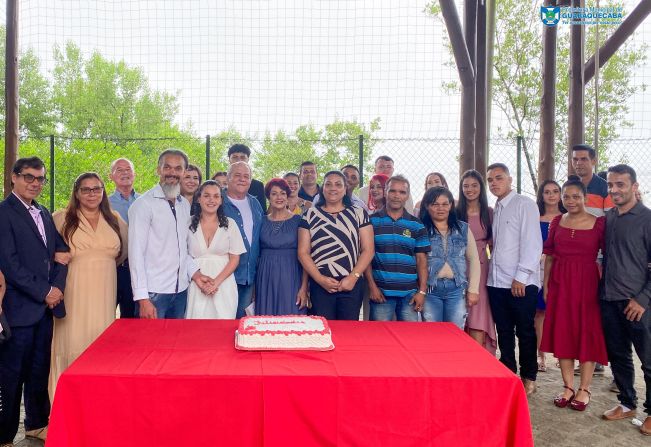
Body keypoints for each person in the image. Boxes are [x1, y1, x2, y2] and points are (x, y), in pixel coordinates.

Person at [0, 157, 69, 445]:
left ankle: (37, 423)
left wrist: (56, 287)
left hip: (44, 310)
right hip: (18, 308)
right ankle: (4, 433)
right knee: (12, 374)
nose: (35, 183)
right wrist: (44, 291)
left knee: (39, 368)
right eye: (29, 177)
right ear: (14, 178)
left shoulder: (42, 211)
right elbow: (9, 263)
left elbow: (61, 252)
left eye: (40, 178)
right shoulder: (4, 213)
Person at [50, 172, 128, 397]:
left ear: (103, 192)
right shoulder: (60, 218)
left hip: (105, 290)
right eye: (86, 189)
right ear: (77, 193)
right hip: (74, 290)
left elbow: (124, 252)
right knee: (72, 340)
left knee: (100, 341)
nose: (92, 194)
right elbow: (44, 252)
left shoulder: (114, 218)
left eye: (97, 189)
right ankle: (64, 402)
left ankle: (97, 400)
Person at [540, 177, 608, 411]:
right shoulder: (557, 222)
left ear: (585, 197)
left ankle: (585, 388)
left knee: (587, 333)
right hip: (560, 284)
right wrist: (547, 285)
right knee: (564, 332)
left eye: (575, 196)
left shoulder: (599, 223)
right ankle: (568, 386)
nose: (570, 201)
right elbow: (549, 255)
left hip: (588, 284)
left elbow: (608, 256)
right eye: (566, 196)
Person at [128, 149, 212, 319]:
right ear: (159, 170)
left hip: (181, 291)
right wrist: (143, 298)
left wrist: (195, 274)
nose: (172, 173)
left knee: (175, 344)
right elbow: (135, 254)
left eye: (178, 168)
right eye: (167, 167)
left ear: (184, 172)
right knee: (151, 344)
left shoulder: (184, 206)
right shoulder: (143, 205)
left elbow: (183, 249)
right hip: (154, 293)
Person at [600, 164, 651, 435]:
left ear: (634, 186)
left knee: (649, 359)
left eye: (620, 184)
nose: (614, 190)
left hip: (639, 303)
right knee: (619, 356)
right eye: (610, 185)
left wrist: (642, 299)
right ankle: (627, 402)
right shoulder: (608, 218)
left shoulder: (647, 218)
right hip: (609, 299)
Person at [486, 163, 542, 396]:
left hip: (520, 282)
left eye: (499, 178)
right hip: (496, 282)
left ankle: (529, 376)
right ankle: (508, 370)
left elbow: (532, 243)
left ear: (510, 179)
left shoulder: (524, 204)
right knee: (504, 330)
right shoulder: (496, 208)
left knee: (525, 331)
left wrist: (521, 277)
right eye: (490, 180)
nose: (494, 183)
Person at [298, 170, 375, 320]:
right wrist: (320, 279)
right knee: (322, 331)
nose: (333, 188)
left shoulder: (359, 213)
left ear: (345, 188)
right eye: (328, 184)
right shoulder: (309, 215)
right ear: (323, 189)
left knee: (348, 333)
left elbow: (368, 250)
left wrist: (353, 277)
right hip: (320, 285)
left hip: (351, 285)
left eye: (338, 184)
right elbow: (303, 252)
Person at [571, 144, 612, 377]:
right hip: (579, 260)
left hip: (601, 259)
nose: (579, 163)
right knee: (585, 312)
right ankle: (591, 359)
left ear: (593, 161)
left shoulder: (604, 188)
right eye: (575, 159)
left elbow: (610, 223)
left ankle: (614, 367)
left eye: (584, 159)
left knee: (605, 313)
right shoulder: (572, 186)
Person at [366, 175, 429, 321]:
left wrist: (422, 291)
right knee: (379, 340)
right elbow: (366, 256)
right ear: (385, 192)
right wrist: (372, 287)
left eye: (402, 192)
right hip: (381, 294)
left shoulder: (417, 225)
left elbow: (422, 261)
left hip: (410, 295)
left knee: (409, 340)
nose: (396, 196)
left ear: (407, 196)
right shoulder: (371, 222)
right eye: (392, 191)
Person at [419, 187, 480, 329]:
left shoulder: (463, 228)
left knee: (455, 333)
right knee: (432, 333)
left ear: (451, 205)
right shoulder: (421, 229)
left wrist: (473, 289)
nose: (441, 208)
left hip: (456, 290)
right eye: (435, 204)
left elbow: (474, 259)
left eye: (445, 204)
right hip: (430, 290)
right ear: (427, 206)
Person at [186, 181, 246, 319]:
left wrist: (215, 283)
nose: (211, 200)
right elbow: (183, 254)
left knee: (223, 327)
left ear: (221, 200)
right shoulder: (187, 223)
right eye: (206, 196)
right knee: (196, 326)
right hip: (196, 284)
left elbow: (235, 258)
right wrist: (198, 279)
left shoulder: (230, 223)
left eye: (216, 196)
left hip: (223, 284)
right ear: (198, 198)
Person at [456, 169, 497, 354]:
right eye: (466, 186)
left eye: (474, 185)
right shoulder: (455, 211)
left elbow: (494, 244)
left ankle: (478, 356)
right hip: (457, 266)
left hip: (481, 266)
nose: (470, 189)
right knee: (459, 310)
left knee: (478, 311)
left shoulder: (489, 212)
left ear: (481, 187)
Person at [255, 179, 309, 315]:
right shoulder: (261, 220)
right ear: (268, 197)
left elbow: (307, 256)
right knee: (266, 321)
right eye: (274, 194)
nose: (279, 197)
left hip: (291, 276)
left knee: (291, 319)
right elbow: (256, 253)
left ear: (287, 196)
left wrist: (304, 288)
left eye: (282, 193)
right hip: (265, 276)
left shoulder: (299, 220)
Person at [222, 162, 264, 318]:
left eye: (246, 176)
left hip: (248, 276)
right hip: (223, 275)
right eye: (237, 175)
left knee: (241, 322)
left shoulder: (255, 203)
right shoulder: (217, 201)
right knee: (223, 319)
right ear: (228, 178)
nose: (242, 179)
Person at [534, 180, 566, 371]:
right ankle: (541, 355)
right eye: (547, 192)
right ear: (542, 195)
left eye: (555, 191)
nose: (551, 195)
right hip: (538, 268)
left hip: (561, 268)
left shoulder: (567, 217)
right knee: (540, 312)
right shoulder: (535, 217)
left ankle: (564, 354)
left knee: (562, 313)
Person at [108, 157, 139, 318]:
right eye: (119, 170)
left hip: (138, 268)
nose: (125, 173)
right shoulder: (103, 203)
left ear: (134, 174)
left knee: (132, 317)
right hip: (113, 267)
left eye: (128, 170)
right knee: (106, 313)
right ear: (111, 176)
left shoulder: (144, 201)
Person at [227, 144, 267, 212]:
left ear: (248, 159)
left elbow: (262, 212)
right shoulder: (221, 182)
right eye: (235, 157)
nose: (239, 160)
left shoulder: (257, 186)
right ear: (229, 159)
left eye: (242, 157)